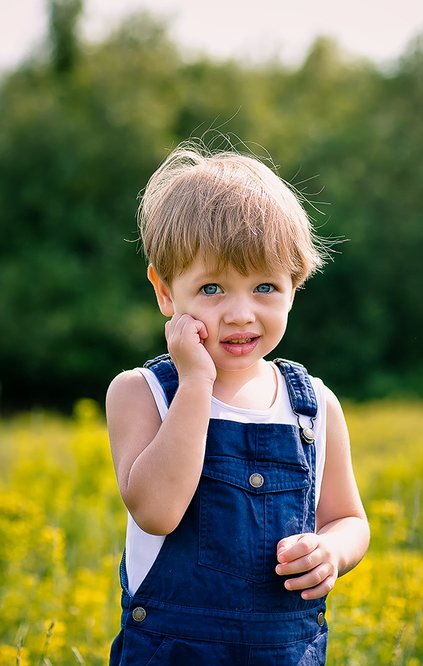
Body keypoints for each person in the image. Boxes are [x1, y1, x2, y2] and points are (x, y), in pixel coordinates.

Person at [104, 140, 370, 664]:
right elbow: (156, 512)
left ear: (295, 286)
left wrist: (332, 552)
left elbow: (348, 518)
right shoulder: (143, 393)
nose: (241, 313)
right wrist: (196, 380)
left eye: (266, 286)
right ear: (164, 291)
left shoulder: (314, 406)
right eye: (212, 289)